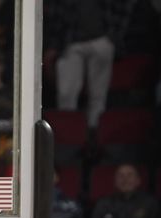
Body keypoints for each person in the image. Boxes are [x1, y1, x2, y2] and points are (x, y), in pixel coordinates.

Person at [44, 0, 133, 128]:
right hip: (70, 42)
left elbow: (123, 6)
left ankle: (94, 138)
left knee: (98, 98)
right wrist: (55, 44)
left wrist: (114, 37)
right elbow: (56, 12)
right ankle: (69, 136)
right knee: (66, 94)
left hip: (102, 39)